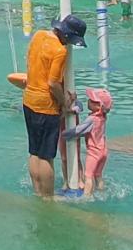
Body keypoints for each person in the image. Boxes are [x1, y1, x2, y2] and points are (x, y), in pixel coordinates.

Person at [21, 14, 87, 198]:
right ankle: (48, 196)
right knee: (46, 155)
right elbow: (52, 83)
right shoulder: (59, 51)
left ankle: (37, 191)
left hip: (29, 100)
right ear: (66, 35)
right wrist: (64, 102)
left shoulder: (38, 35)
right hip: (46, 106)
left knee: (34, 151)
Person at [78, 86, 112, 199]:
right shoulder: (102, 117)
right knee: (98, 175)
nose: (88, 100)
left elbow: (79, 131)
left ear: (99, 106)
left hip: (94, 153)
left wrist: (65, 133)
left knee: (88, 176)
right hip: (103, 151)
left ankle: (86, 197)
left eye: (91, 100)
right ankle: (102, 192)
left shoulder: (91, 119)